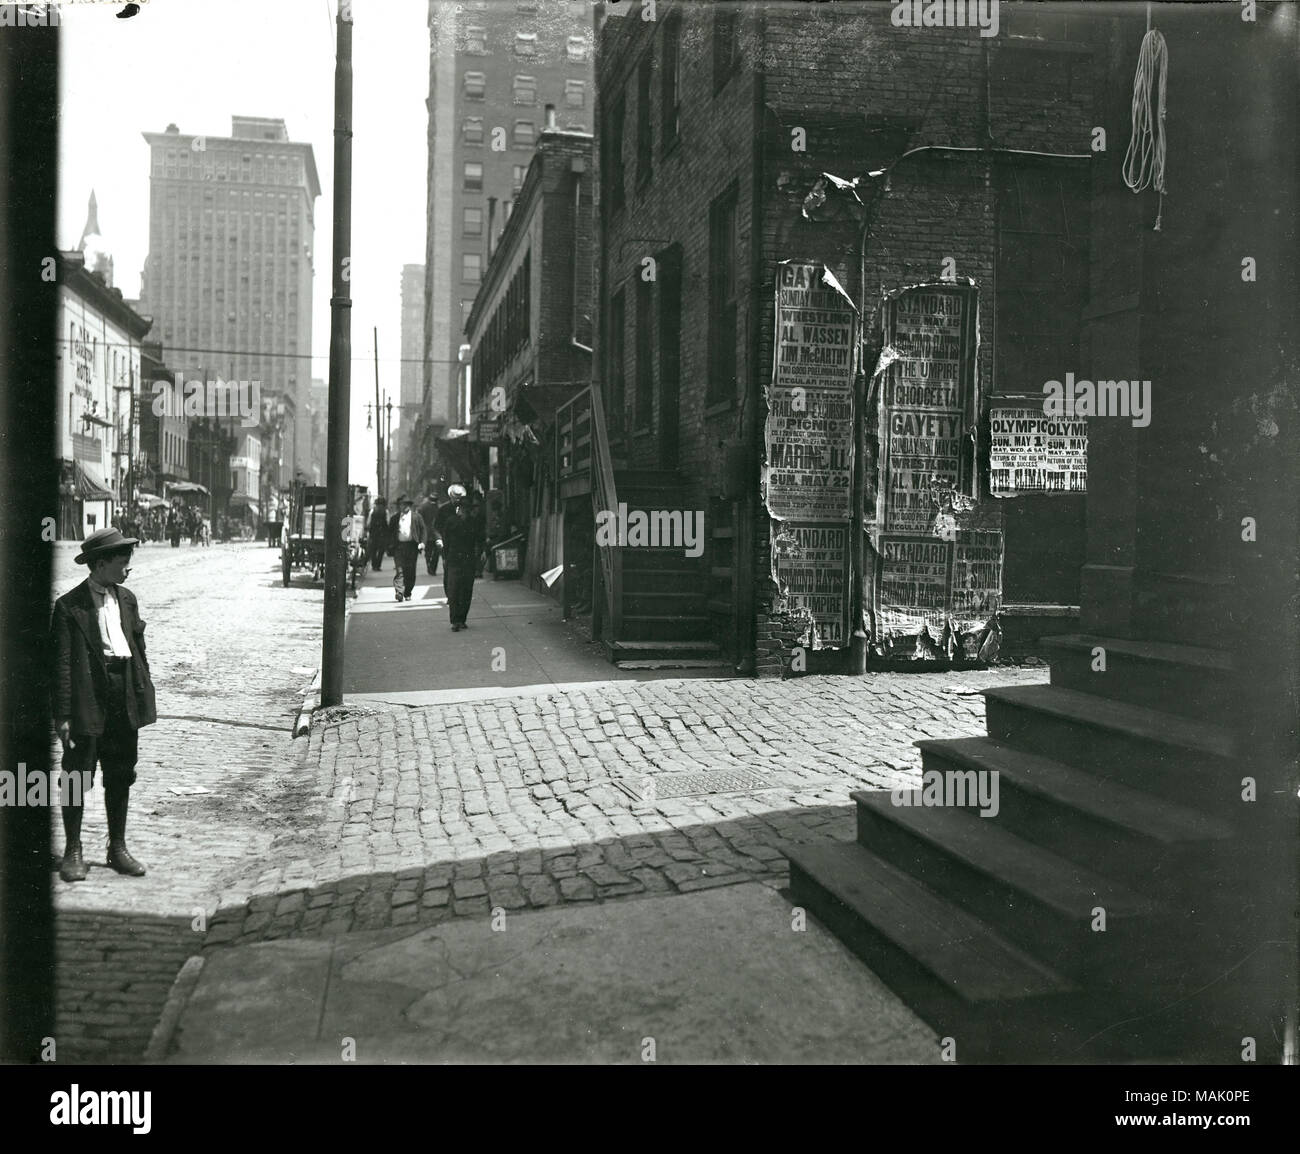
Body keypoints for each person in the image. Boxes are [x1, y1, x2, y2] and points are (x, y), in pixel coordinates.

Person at [49, 527, 157, 882]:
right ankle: (73, 851)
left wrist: (142, 688)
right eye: (122, 562)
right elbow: (61, 664)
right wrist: (63, 715)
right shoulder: (69, 606)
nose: (128, 568)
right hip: (87, 697)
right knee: (78, 775)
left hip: (123, 693)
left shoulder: (127, 598)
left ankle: (118, 848)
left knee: (121, 773)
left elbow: (138, 648)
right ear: (100, 563)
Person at [434, 483, 486, 631]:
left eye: (466, 509)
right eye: (462, 509)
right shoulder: (450, 521)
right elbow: (446, 540)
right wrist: (444, 557)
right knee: (454, 589)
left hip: (467, 560)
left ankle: (462, 619)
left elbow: (479, 539)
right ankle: (455, 620)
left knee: (466, 590)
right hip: (454, 560)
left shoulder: (473, 523)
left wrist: (481, 552)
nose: (463, 511)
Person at [387, 493, 426, 602]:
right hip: (399, 547)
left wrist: (422, 542)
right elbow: (389, 533)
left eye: (406, 504)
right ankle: (399, 592)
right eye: (401, 504)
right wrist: (390, 545)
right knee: (399, 570)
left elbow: (423, 530)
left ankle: (408, 592)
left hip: (412, 547)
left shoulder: (416, 517)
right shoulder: (394, 518)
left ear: (410, 506)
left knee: (410, 571)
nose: (403, 507)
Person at [417, 490, 441, 575]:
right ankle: (432, 568)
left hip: (427, 533)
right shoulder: (438, 508)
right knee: (436, 552)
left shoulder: (423, 507)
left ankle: (429, 567)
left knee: (428, 552)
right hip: (436, 533)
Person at [366, 496, 389, 571]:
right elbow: (388, 522)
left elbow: (368, 522)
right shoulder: (386, 511)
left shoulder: (372, 511)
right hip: (383, 533)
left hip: (373, 533)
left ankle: (374, 565)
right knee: (381, 550)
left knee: (373, 549)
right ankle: (378, 565)